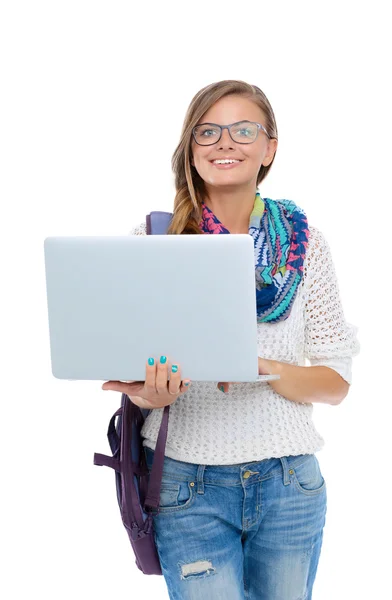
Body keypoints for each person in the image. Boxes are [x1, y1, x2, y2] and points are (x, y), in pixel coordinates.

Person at [102, 79, 360, 599]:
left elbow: (335, 383)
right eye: (208, 131)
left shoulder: (305, 244)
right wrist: (150, 393)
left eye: (244, 130)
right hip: (185, 487)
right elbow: (136, 380)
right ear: (190, 149)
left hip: (290, 485)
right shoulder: (155, 242)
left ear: (270, 148)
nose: (226, 142)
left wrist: (252, 364)